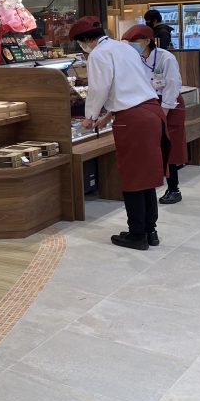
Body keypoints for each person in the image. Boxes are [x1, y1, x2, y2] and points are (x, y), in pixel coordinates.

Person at [69, 16, 169, 251]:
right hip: (151, 112)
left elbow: (99, 88)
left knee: (133, 176)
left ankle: (137, 234)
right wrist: (108, 116)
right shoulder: (124, 48)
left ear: (85, 40)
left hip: (133, 119)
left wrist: (90, 116)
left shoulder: (98, 54)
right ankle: (150, 231)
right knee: (146, 176)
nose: (82, 47)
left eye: (80, 43)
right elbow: (130, 83)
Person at [122, 24, 186, 205]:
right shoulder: (134, 58)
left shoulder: (166, 57)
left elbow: (172, 84)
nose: (131, 45)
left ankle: (174, 188)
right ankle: (150, 185)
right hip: (148, 103)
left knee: (169, 147)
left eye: (134, 41)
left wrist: (163, 111)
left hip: (169, 104)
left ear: (147, 41)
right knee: (150, 147)